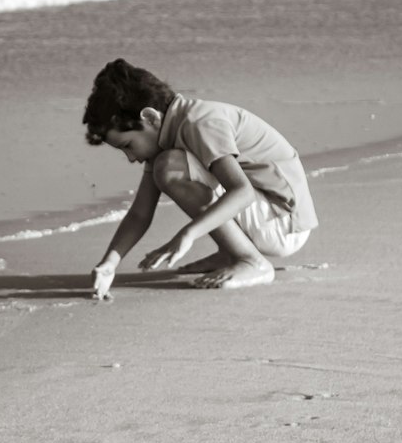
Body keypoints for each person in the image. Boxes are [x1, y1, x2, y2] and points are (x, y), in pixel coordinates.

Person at [83, 59, 317, 299]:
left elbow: (242, 192)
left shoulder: (199, 123)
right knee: (167, 164)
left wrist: (188, 235)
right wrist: (109, 263)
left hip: (282, 222)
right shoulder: (166, 135)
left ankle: (251, 261)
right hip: (267, 216)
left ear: (151, 118)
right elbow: (140, 214)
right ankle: (232, 252)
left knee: (169, 167)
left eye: (128, 146)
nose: (131, 158)